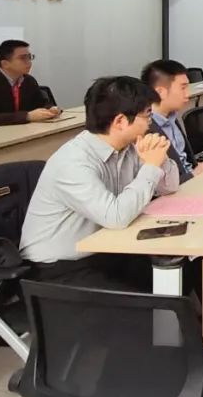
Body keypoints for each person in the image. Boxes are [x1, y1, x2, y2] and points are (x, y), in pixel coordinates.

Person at [19, 76, 180, 290]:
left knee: (183, 270)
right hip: (57, 268)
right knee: (148, 295)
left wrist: (160, 157)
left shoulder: (129, 146)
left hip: (107, 251)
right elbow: (116, 217)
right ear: (120, 121)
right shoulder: (73, 161)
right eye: (147, 115)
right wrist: (150, 167)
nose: (151, 122)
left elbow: (170, 187)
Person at [140, 59, 203, 183]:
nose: (188, 94)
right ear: (160, 92)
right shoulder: (145, 129)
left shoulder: (172, 116)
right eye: (183, 88)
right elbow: (157, 184)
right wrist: (194, 174)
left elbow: (187, 162)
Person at [0, 39, 60, 130]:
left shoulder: (29, 81)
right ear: (5, 64)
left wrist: (50, 108)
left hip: (17, 131)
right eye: (23, 58)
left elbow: (41, 103)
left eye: (29, 57)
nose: (29, 62)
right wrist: (27, 116)